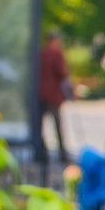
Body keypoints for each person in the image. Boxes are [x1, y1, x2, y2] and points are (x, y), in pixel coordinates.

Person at [39, 31, 72, 163]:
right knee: (57, 124)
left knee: (41, 125)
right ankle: (62, 153)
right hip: (53, 95)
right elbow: (63, 73)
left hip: (41, 94)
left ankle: (43, 152)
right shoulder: (56, 54)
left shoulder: (42, 54)